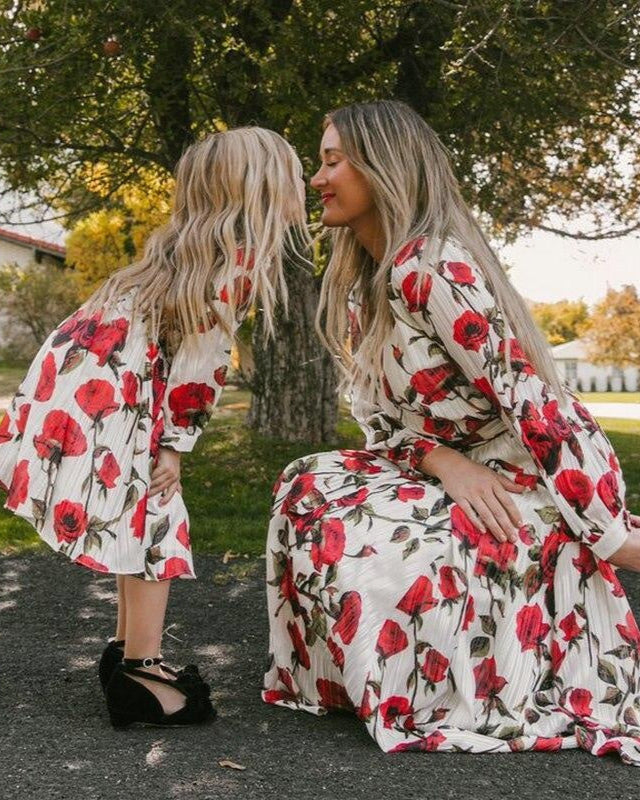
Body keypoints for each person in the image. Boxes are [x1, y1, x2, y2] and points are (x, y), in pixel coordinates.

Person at [262, 100, 640, 765]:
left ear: (384, 168)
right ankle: (377, 678)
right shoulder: (362, 287)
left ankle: (445, 679)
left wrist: (610, 533)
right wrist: (441, 461)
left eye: (331, 162)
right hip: (454, 472)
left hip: (525, 477)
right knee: (308, 485)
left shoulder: (433, 268)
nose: (316, 179)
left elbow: (538, 404)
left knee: (396, 545)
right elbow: (379, 421)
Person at [0, 127, 308, 728]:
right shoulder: (233, 263)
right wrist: (174, 443)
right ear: (261, 192)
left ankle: (124, 652)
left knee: (134, 513)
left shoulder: (184, 250)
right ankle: (142, 668)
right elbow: (199, 366)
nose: (304, 186)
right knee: (156, 514)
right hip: (114, 390)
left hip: (85, 377)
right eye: (294, 176)